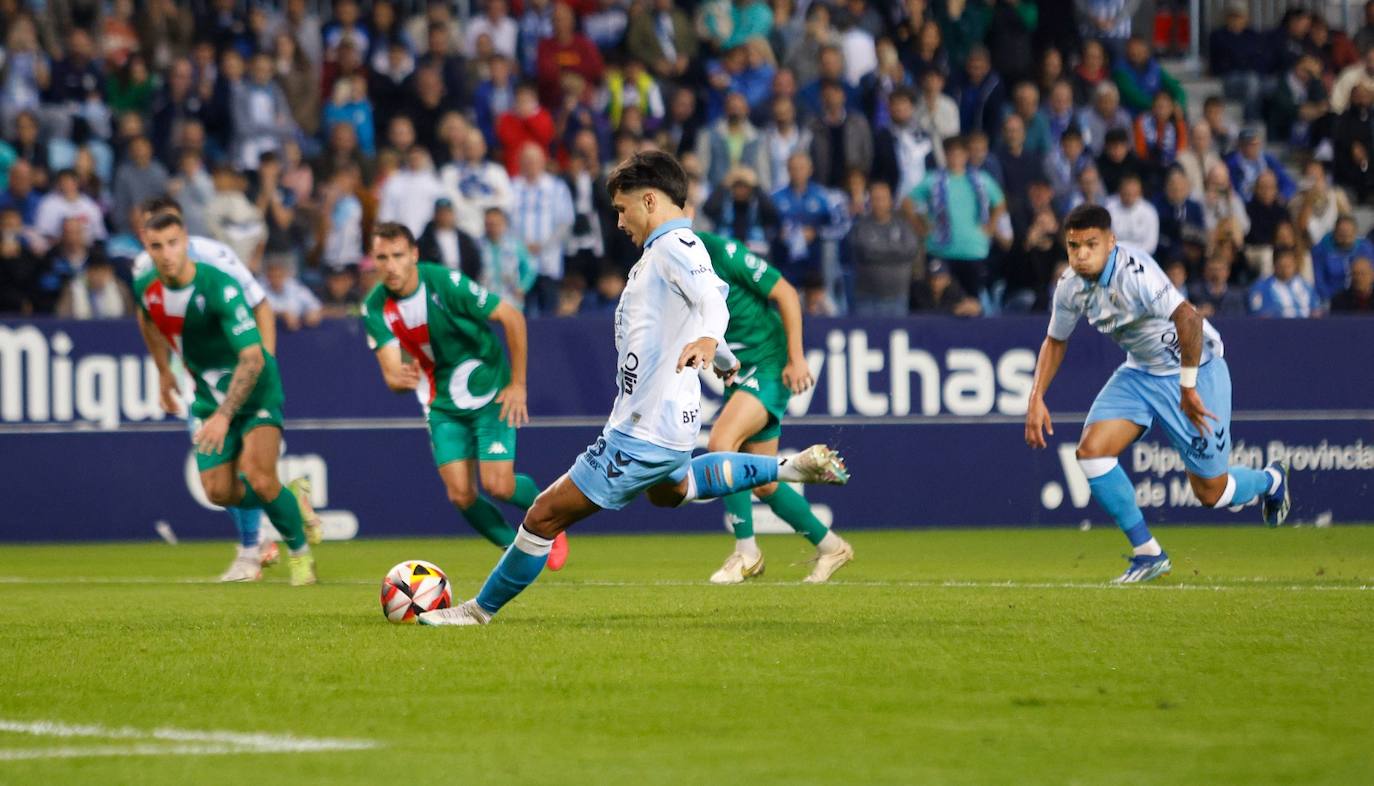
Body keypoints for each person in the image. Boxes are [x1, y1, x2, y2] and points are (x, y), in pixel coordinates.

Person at [417, 151, 849, 626]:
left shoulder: (675, 248)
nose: (619, 222)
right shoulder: (667, 252)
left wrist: (708, 339)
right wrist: (723, 358)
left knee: (542, 516)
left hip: (642, 431)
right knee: (673, 489)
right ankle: (789, 467)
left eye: (622, 210)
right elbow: (697, 313)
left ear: (649, 200)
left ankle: (477, 612)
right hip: (669, 428)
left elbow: (710, 303)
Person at [1025, 204, 1290, 584]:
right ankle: (1148, 553)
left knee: (1211, 493)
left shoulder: (1135, 273)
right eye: (1073, 246)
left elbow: (1189, 318)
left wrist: (1187, 386)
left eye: (1090, 244)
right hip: (1141, 373)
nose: (1081, 254)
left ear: (1111, 242)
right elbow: (1055, 340)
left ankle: (1271, 480)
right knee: (1091, 451)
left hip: (1198, 369)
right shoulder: (1070, 287)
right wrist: (1036, 396)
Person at [360, 221, 566, 568]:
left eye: (397, 255)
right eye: (382, 257)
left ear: (414, 255)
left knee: (498, 485)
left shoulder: (445, 283)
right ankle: (514, 549)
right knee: (460, 493)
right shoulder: (374, 307)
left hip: (489, 392)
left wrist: (517, 385)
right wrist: (400, 378)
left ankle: (553, 522)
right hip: (441, 404)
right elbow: (393, 375)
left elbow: (512, 317)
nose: (390, 265)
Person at [134, 211, 320, 585]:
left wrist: (224, 415)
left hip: (254, 390)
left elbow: (251, 358)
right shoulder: (146, 286)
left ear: (186, 240)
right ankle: (292, 500)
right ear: (146, 248)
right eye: (157, 246)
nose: (167, 254)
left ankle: (300, 557)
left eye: (173, 243)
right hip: (208, 395)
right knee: (218, 491)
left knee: (258, 474)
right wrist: (163, 371)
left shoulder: (220, 286)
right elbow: (147, 320)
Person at [695, 230, 853, 584]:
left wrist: (796, 358)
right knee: (763, 482)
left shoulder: (720, 250)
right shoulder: (671, 267)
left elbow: (785, 292)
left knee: (721, 445)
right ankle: (831, 546)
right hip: (737, 373)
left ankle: (746, 553)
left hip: (768, 364)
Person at [1248, 246, 1316, 318]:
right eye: (1282, 266)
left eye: (1289, 266)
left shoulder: (1306, 287)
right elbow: (1258, 315)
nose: (1285, 270)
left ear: (1295, 264)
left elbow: (1317, 310)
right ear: (1274, 265)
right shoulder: (1260, 288)